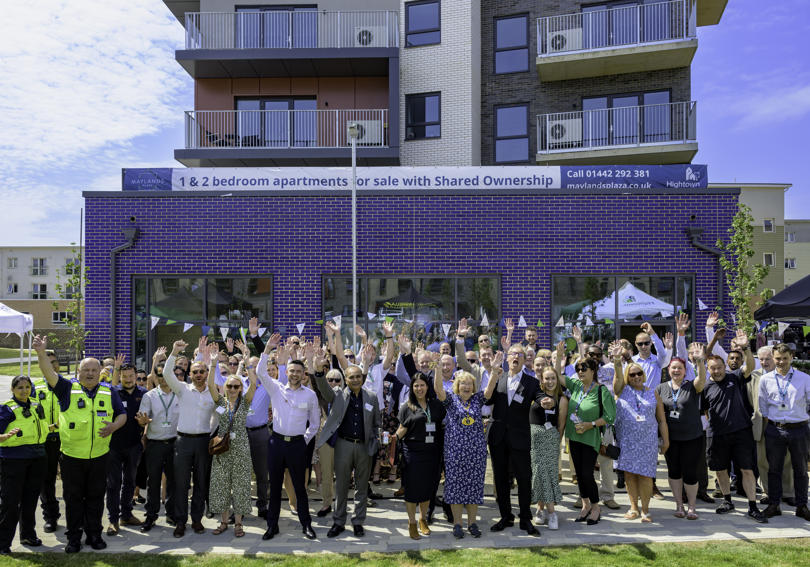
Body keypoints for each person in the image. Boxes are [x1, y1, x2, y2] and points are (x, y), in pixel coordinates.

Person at [33, 335, 127, 553]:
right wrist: (41, 353)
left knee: (95, 498)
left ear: (100, 371)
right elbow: (49, 373)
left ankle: (94, 535)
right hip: (72, 457)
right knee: (73, 498)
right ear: (79, 372)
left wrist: (114, 427)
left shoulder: (109, 390)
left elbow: (122, 415)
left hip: (99, 456)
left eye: (94, 370)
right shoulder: (66, 389)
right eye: (86, 370)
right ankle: (74, 538)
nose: (90, 373)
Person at [257, 334, 320, 541]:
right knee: (275, 487)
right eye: (291, 371)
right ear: (287, 372)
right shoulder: (276, 388)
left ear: (303, 374)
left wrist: (304, 440)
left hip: (296, 446)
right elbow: (260, 372)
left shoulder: (310, 395)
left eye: (298, 372)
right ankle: (272, 526)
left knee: (300, 488)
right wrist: (267, 349)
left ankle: (306, 525)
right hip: (276, 443)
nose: (294, 374)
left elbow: (315, 423)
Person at [313, 352, 381, 538]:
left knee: (361, 486)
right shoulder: (337, 395)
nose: (356, 379)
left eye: (359, 376)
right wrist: (319, 372)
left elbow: (377, 423)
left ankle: (358, 522)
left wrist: (375, 440)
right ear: (346, 379)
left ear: (362, 378)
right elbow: (323, 390)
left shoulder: (372, 397)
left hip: (363, 447)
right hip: (343, 445)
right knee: (342, 485)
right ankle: (338, 522)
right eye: (351, 377)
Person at [702, 338, 767, 523]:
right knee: (721, 470)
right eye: (712, 368)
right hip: (717, 435)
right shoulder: (706, 387)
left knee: (747, 470)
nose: (716, 371)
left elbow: (750, 365)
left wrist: (746, 347)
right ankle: (728, 501)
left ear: (725, 366)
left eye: (719, 367)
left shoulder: (735, 377)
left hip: (742, 432)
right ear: (708, 369)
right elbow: (705, 411)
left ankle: (752, 506)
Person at [436, 363, 499, 539]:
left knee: (473, 488)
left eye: (469, 383)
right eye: (463, 383)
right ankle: (457, 524)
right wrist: (437, 369)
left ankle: (472, 523)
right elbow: (438, 389)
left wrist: (494, 371)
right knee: (455, 488)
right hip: (455, 452)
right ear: (457, 385)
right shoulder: (450, 399)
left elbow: (489, 390)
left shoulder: (477, 399)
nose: (466, 386)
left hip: (476, 453)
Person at [487, 344, 544, 535]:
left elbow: (540, 395)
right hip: (498, 437)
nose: (515, 358)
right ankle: (506, 516)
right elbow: (487, 400)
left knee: (524, 479)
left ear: (524, 359)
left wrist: (546, 400)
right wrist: (493, 375)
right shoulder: (499, 378)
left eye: (519, 355)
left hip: (520, 437)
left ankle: (525, 519)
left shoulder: (531, 382)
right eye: (512, 354)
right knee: (501, 479)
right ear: (507, 358)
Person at [610, 341, 670, 523]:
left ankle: (645, 509)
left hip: (648, 441)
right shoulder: (621, 390)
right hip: (627, 440)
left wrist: (665, 441)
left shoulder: (654, 393)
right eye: (632, 374)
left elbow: (661, 419)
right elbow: (616, 381)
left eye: (639, 373)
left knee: (645, 475)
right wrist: (617, 361)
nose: (636, 376)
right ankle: (633, 507)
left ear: (643, 375)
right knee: (629, 475)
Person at [163, 340, 218, 538]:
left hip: (203, 442)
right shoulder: (182, 389)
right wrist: (174, 352)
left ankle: (196, 520)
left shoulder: (213, 394)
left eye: (201, 372)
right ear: (190, 374)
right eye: (194, 372)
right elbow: (167, 374)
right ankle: (180, 521)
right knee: (181, 483)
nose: (198, 375)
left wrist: (212, 433)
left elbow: (220, 414)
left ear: (206, 374)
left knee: (201, 483)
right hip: (183, 442)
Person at [557, 341, 615, 526]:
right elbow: (558, 376)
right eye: (578, 369)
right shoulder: (575, 386)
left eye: (584, 369)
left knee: (587, 473)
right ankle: (585, 505)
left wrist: (590, 424)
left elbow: (610, 416)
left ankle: (596, 507)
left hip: (590, 438)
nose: (581, 372)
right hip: (573, 437)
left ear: (593, 371)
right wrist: (559, 356)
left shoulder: (601, 391)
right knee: (579, 476)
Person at [205, 343, 257, 537]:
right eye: (230, 386)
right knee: (221, 484)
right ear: (225, 387)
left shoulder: (245, 401)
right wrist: (212, 364)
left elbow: (253, 384)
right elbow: (210, 385)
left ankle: (238, 523)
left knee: (241, 484)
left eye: (236, 386)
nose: (233, 388)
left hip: (241, 447)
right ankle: (223, 521)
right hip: (222, 447)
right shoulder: (220, 401)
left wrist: (247, 359)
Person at [758, 344, 810, 520]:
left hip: (799, 429)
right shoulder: (765, 379)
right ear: (773, 358)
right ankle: (774, 505)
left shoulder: (804, 378)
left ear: (792, 357)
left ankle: (802, 506)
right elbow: (762, 405)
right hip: (775, 429)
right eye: (778, 358)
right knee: (774, 469)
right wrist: (773, 421)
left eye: (785, 358)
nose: (781, 362)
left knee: (801, 470)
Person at [0, 376, 49, 554]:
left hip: (37, 458)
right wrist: (3, 437)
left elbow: (39, 427)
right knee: (10, 503)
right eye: (20, 387)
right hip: (13, 461)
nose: (24, 390)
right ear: (13, 389)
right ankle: (3, 543)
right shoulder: (7, 408)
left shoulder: (36, 405)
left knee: (30, 501)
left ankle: (28, 535)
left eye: (27, 387)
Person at [394, 373, 446, 539]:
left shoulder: (436, 405)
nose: (419, 388)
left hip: (432, 453)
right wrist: (391, 440)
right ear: (412, 388)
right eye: (416, 385)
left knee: (427, 489)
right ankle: (412, 523)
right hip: (413, 454)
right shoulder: (407, 407)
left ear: (427, 386)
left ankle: (423, 519)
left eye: (422, 385)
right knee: (412, 490)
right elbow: (401, 431)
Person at [657, 353, 706, 520]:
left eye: (680, 368)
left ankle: (691, 507)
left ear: (685, 371)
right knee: (674, 472)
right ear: (668, 370)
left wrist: (699, 362)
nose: (676, 370)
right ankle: (679, 505)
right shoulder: (661, 388)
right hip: (671, 439)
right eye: (673, 368)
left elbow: (702, 379)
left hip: (692, 438)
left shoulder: (692, 386)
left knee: (690, 472)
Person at [134, 347, 179, 532]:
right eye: (159, 376)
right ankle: (151, 516)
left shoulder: (180, 393)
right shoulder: (149, 396)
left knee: (173, 481)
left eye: (165, 375)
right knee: (153, 482)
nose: (163, 378)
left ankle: (171, 514)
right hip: (155, 444)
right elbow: (142, 418)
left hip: (175, 444)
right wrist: (143, 421)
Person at [749, 346, 794, 506]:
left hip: (783, 423)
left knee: (787, 459)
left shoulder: (789, 376)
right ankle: (767, 491)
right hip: (761, 423)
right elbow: (749, 400)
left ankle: (788, 492)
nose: (764, 362)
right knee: (763, 460)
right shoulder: (754, 376)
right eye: (761, 359)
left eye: (768, 359)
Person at [106, 361, 146, 534]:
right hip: (113, 445)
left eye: (131, 376)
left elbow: (148, 416)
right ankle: (113, 520)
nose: (128, 379)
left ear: (136, 376)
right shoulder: (112, 392)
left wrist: (145, 425)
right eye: (125, 376)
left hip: (134, 445)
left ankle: (126, 514)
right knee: (114, 483)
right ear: (120, 377)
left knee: (130, 482)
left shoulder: (144, 393)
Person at [530, 367, 567, 531]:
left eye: (553, 378)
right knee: (538, 473)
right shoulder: (535, 394)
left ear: (557, 380)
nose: (550, 382)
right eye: (547, 378)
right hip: (535, 438)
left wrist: (556, 442)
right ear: (542, 380)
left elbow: (561, 424)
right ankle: (540, 509)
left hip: (550, 439)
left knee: (547, 474)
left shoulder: (562, 399)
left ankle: (551, 513)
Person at [31, 350, 61, 533]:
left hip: (67, 440)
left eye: (54, 362)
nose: (52, 365)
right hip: (46, 441)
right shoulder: (34, 388)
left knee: (73, 481)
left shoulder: (68, 386)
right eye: (47, 362)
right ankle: (50, 517)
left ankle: (78, 518)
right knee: (46, 480)